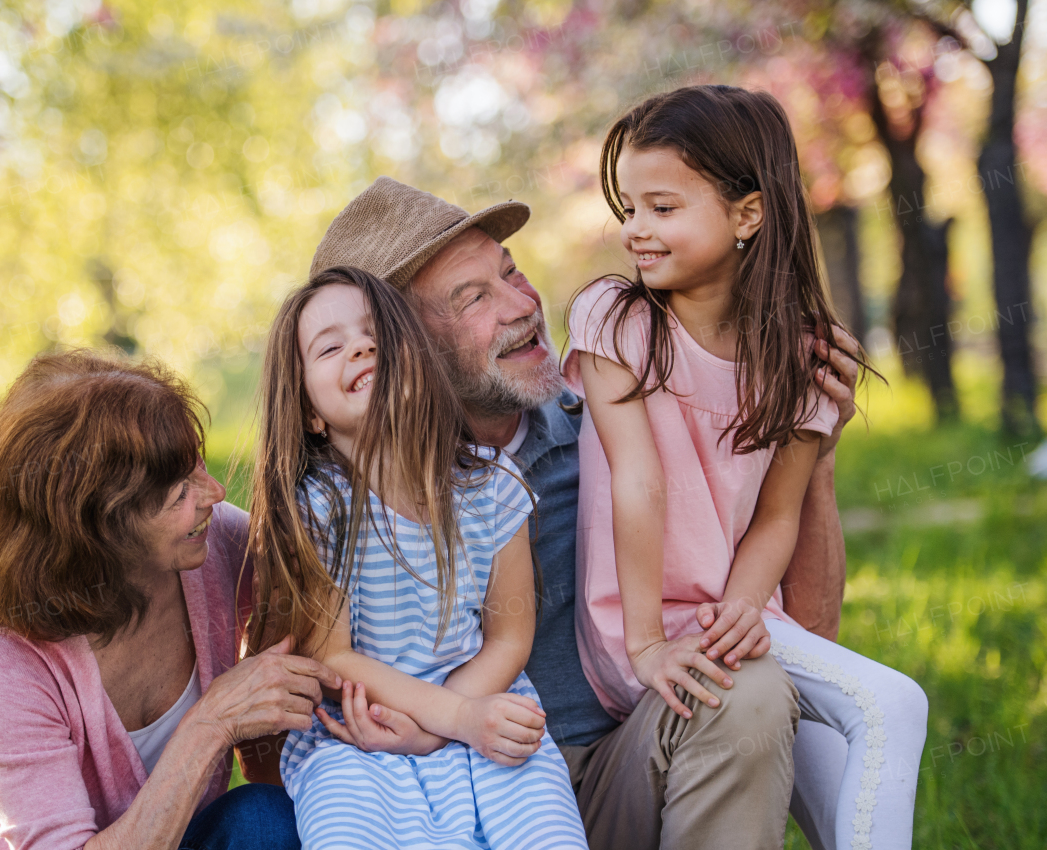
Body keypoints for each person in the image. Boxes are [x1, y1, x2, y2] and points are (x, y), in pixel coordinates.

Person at [300, 172, 865, 849]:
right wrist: (430, 727)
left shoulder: (622, 433)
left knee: (741, 686)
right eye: (474, 296)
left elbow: (811, 635)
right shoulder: (334, 505)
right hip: (433, 800)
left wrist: (813, 456)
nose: (523, 305)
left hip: (616, 779)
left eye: (512, 273)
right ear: (397, 345)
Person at [564, 85, 928, 850]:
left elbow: (778, 516)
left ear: (747, 215)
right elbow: (639, 481)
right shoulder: (616, 319)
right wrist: (644, 645)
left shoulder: (803, 354)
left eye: (663, 208)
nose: (636, 230)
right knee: (892, 707)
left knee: (840, 774)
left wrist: (744, 602)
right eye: (629, 208)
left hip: (738, 613)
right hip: (644, 630)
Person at [0, 350, 340, 850]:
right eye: (180, 492)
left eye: (198, 465)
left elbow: (327, 591)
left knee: (265, 820)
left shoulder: (209, 545)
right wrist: (211, 725)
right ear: (98, 530)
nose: (216, 492)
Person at [246, 267, 588, 849]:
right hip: (356, 741)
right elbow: (334, 659)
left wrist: (451, 725)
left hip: (485, 706)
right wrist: (449, 721)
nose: (360, 346)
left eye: (375, 334)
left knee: (546, 833)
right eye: (331, 347)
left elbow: (509, 639)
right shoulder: (319, 510)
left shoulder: (493, 488)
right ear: (309, 412)